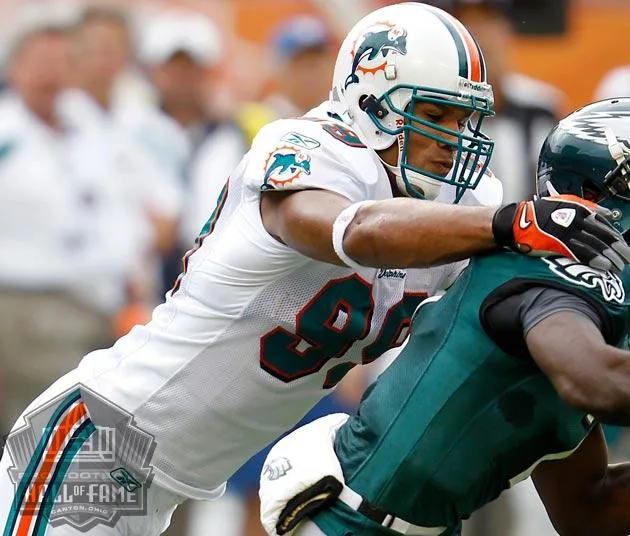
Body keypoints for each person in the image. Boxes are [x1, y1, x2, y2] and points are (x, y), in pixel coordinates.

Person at [0, 4, 627, 535]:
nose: (454, 137)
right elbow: (353, 230)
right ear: (371, 103)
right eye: (435, 116)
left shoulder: (461, 206)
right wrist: (510, 222)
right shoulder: (310, 147)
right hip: (109, 435)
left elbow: (506, 316)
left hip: (178, 472)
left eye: (464, 119)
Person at [258, 97, 630, 536]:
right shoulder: (553, 272)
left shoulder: (585, 309)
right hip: (354, 523)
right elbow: (594, 380)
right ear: (600, 193)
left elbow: (590, 508)